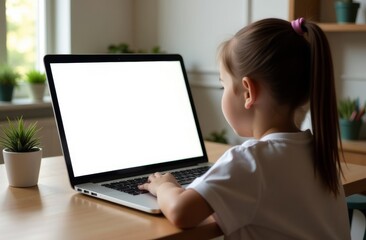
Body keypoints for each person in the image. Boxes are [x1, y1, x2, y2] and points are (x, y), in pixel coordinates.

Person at [138, 18, 351, 239]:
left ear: (248, 92)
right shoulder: (318, 150)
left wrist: (164, 186)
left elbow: (181, 212)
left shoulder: (250, 161)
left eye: (224, 85)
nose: (223, 92)